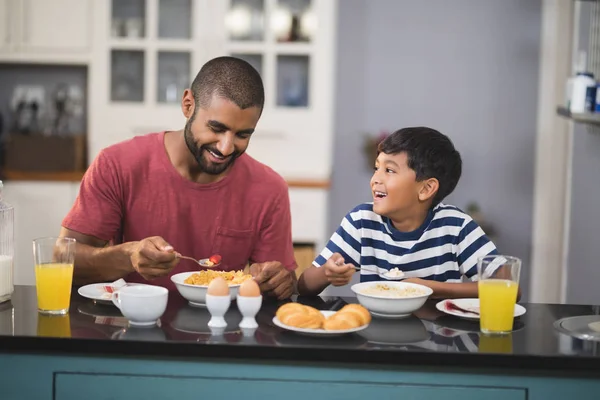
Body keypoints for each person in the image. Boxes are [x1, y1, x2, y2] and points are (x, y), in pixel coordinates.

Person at [60, 56, 297, 299]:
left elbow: (279, 290)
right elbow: (63, 260)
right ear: (188, 104)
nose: (226, 148)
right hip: (129, 326)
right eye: (216, 128)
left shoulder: (269, 189)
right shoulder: (118, 164)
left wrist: (282, 282)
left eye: (242, 135)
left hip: (223, 330)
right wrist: (129, 256)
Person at [298, 126, 519, 299]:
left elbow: (509, 288)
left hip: (443, 340)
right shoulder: (362, 223)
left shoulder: (455, 226)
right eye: (377, 168)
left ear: (426, 189)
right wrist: (326, 273)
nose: (376, 179)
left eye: (389, 170)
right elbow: (304, 286)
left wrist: (433, 289)